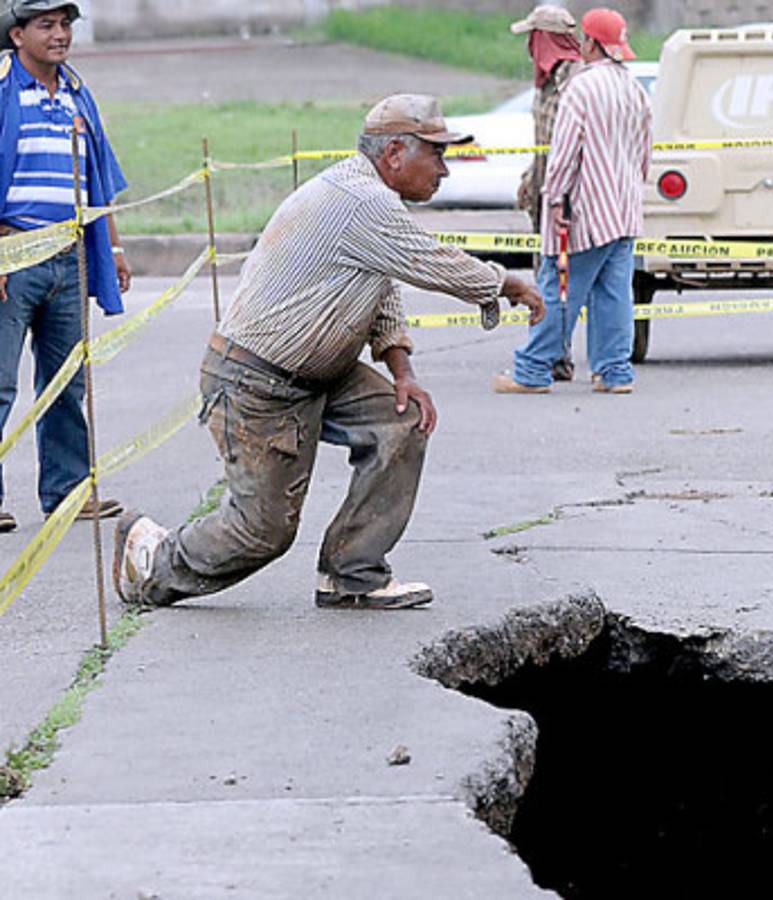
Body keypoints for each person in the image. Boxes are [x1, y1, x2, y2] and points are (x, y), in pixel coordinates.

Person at [113, 94, 545, 611]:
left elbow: (380, 290)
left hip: (319, 374)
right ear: (394, 154)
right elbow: (432, 262)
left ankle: (353, 573)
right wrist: (505, 282)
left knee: (399, 419)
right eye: (437, 155)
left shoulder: (368, 198)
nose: (445, 171)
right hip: (258, 384)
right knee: (262, 533)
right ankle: (152, 561)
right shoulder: (362, 201)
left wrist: (400, 370)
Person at [0, 0, 131, 533]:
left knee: (66, 381)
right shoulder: (5, 92)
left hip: (69, 255)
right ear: (17, 36)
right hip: (14, 253)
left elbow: (96, 175)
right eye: (46, 26)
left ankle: (67, 491)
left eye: (65, 25)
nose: (60, 36)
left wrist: (113, 249)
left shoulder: (77, 94)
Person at [494, 7, 651, 396]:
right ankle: (614, 373)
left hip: (582, 211)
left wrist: (556, 201)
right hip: (624, 209)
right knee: (614, 295)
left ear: (590, 43)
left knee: (559, 290)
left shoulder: (581, 87)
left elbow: (563, 155)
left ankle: (531, 370)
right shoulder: (634, 87)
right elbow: (645, 153)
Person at [510, 4, 582, 382]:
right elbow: (545, 142)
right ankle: (552, 352)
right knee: (547, 276)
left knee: (560, 281)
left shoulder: (575, 82)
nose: (529, 48)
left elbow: (571, 145)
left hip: (566, 200)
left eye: (533, 39)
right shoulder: (546, 83)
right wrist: (530, 176)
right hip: (543, 195)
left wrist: (559, 195)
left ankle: (553, 357)